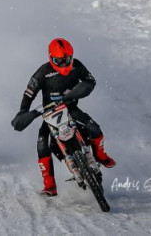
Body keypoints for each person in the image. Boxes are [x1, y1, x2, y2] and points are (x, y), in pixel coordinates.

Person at [11, 38, 116, 197]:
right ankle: (49, 185)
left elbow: (91, 81)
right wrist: (23, 112)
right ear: (50, 58)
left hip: (71, 108)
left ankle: (100, 155)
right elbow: (29, 94)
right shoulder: (42, 72)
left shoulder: (77, 65)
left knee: (94, 127)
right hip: (49, 114)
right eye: (59, 61)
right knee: (41, 145)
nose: (64, 64)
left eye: (67, 60)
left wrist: (80, 90)